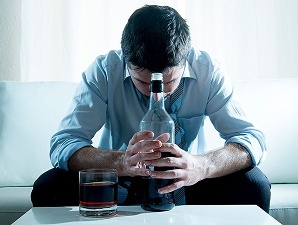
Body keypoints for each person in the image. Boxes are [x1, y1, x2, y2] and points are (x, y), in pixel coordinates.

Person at [31, 5, 271, 212]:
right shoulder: (104, 71)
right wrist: (122, 162)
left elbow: (251, 139)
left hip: (192, 179)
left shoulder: (208, 70)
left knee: (254, 184)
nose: (157, 92)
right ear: (126, 60)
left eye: (169, 83)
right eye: (143, 82)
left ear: (185, 60)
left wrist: (202, 165)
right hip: (125, 180)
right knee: (49, 186)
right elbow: (64, 143)